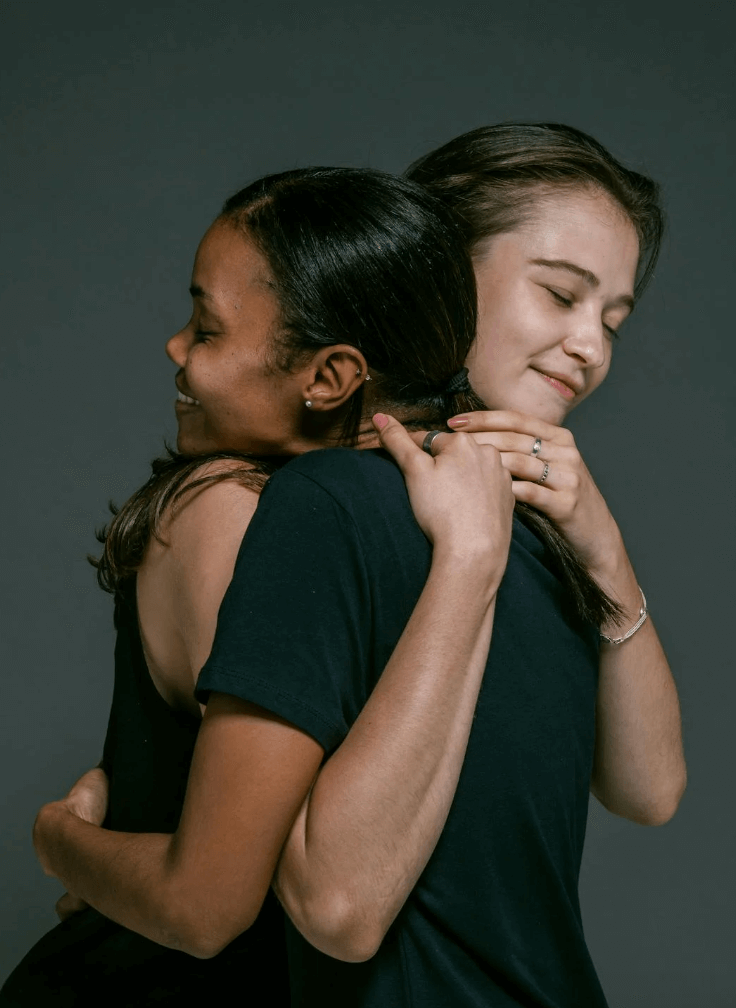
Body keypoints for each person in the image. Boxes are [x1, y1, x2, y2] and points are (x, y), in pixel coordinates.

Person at [12, 120, 686, 1007]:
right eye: (560, 295)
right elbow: (255, 887)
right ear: (435, 265)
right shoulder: (284, 501)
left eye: (613, 322)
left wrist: (602, 549)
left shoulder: (526, 530)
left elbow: (649, 790)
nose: (591, 346)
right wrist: (99, 860)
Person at [2, 166, 517, 1006]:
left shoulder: (328, 517)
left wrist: (64, 842)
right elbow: (219, 888)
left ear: (329, 378)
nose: (175, 348)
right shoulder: (229, 509)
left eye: (206, 330)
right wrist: (64, 838)